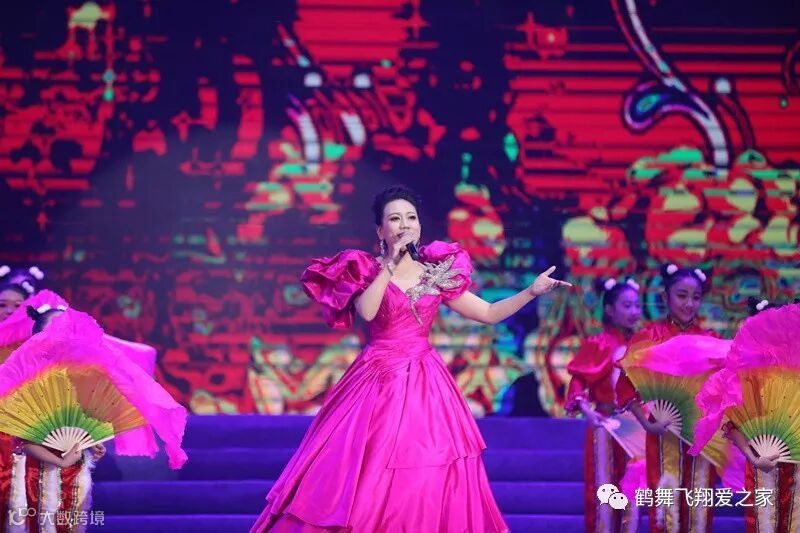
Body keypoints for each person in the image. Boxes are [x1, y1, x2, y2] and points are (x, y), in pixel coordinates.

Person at [251, 185, 571, 532]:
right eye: (395, 218)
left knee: (424, 471)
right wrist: (388, 266)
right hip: (376, 380)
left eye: (411, 217)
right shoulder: (364, 269)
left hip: (425, 383)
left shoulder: (436, 273)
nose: (404, 224)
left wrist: (531, 291)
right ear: (380, 230)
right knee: (364, 470)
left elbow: (489, 313)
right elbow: (368, 312)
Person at [624, 264, 718, 533]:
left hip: (701, 436)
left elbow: (723, 389)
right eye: (682, 295)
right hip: (662, 432)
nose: (689, 304)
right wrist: (646, 423)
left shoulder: (710, 340)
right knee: (666, 504)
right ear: (665, 297)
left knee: (699, 505)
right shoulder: (648, 339)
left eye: (696, 297)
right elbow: (626, 385)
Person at [566, 277, 645, 533]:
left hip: (636, 427)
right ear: (610, 309)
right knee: (605, 489)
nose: (634, 311)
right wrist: (586, 410)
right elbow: (578, 380)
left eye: (637, 305)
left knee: (633, 490)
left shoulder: (642, 345)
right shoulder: (599, 343)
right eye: (627, 305)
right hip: (605, 425)